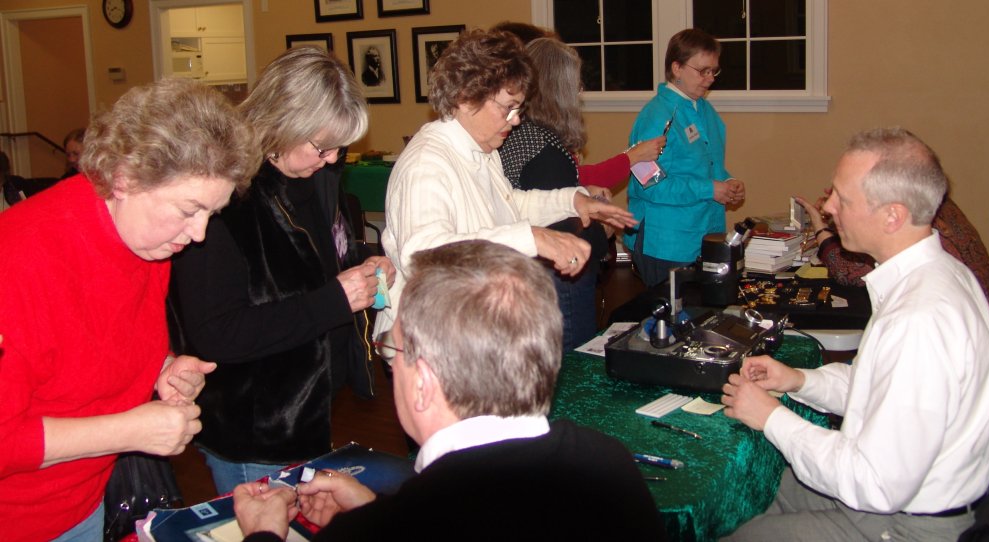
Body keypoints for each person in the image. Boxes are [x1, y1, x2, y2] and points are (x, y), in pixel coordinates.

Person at [232, 240, 668, 541]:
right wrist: (373, 507)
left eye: (392, 350)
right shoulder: (609, 464)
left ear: (423, 382)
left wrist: (264, 534)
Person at [0, 77, 259, 541]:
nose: (199, 234)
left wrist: (161, 369)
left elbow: (98, 344)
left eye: (212, 213)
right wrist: (129, 431)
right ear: (125, 179)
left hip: (83, 502)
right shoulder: (18, 262)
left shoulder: (147, 242)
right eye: (189, 210)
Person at [721, 128, 989, 542]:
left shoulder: (919, 319)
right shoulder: (936, 273)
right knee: (751, 493)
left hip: (908, 520)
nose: (829, 207)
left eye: (843, 199)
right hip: (895, 493)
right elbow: (881, 388)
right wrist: (798, 380)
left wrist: (772, 418)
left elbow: (875, 482)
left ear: (892, 216)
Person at [169, 46, 396, 495]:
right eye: (323, 146)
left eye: (340, 148)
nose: (332, 158)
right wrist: (335, 299)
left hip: (309, 411)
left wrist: (360, 266)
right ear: (283, 121)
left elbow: (318, 265)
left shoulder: (316, 176)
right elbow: (217, 334)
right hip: (254, 428)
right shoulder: (226, 199)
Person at [373, 29, 637, 338]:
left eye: (518, 108)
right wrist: (532, 237)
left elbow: (509, 204)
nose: (515, 119)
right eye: (507, 107)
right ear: (465, 97)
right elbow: (422, 256)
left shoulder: (481, 149)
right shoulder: (427, 163)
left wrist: (573, 201)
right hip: (431, 338)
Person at [497, 37, 613, 350]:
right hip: (558, 285)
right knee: (571, 369)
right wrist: (603, 228)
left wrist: (583, 196)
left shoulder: (520, 133)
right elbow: (564, 232)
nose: (580, 93)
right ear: (560, 90)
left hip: (531, 281)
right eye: (576, 85)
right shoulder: (545, 151)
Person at [797, 193, 989, 363]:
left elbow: (846, 270)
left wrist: (821, 227)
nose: (832, 205)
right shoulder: (930, 208)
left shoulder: (917, 311)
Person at [625, 28, 746, 287]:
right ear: (677, 68)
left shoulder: (704, 109)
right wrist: (709, 189)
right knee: (672, 312)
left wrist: (728, 182)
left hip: (705, 233)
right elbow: (650, 185)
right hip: (667, 242)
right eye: (702, 71)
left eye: (714, 71)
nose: (710, 78)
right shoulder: (656, 117)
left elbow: (709, 165)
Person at [490, 20, 666, 190]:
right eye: (575, 86)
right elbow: (560, 193)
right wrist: (631, 158)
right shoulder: (542, 148)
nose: (579, 93)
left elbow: (568, 181)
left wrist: (585, 193)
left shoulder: (529, 132)